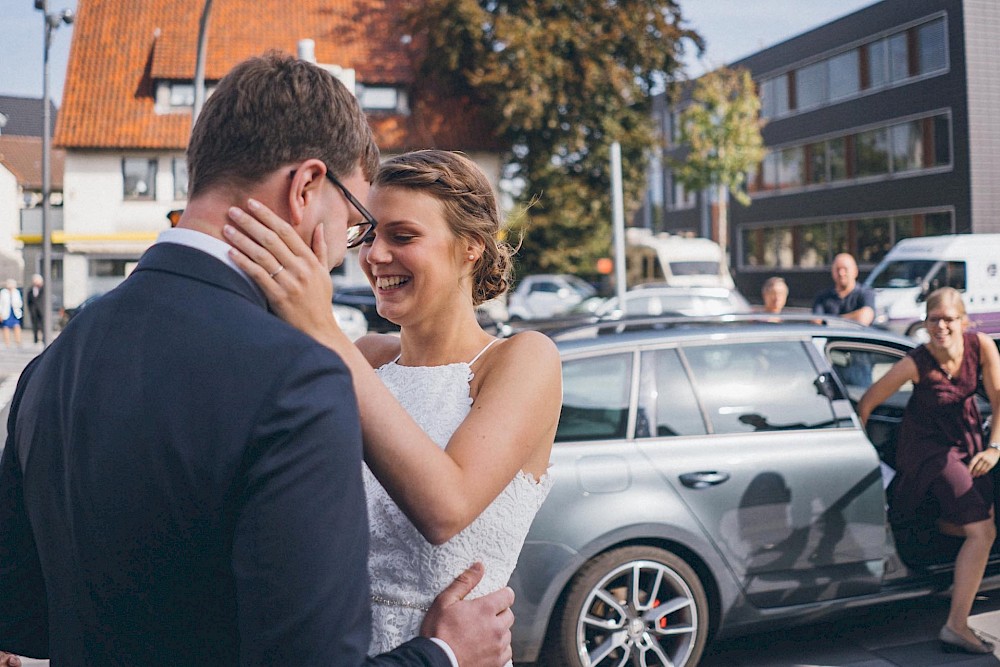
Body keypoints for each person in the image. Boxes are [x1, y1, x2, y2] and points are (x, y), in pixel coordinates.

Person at [0, 52, 514, 667]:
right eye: (354, 224)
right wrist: (442, 654)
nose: (356, 254)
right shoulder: (295, 379)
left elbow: (23, 620)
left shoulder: (51, 365)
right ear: (306, 189)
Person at [224, 149, 561, 659]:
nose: (374, 255)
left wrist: (323, 329)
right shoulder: (367, 355)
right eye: (367, 234)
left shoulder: (521, 360)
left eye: (402, 236)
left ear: (470, 247)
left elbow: (446, 509)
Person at [858, 287, 1000, 655]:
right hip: (929, 450)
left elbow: (999, 400)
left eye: (949, 319)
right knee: (982, 532)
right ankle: (956, 625)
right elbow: (868, 402)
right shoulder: (915, 362)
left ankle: (951, 572)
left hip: (968, 440)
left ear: (964, 321)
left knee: (979, 521)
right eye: (934, 319)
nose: (941, 327)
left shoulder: (981, 346)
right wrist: (859, 450)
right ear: (924, 322)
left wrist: (995, 447)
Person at [812, 253, 875, 325]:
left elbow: (864, 318)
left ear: (855, 271)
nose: (841, 273)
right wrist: (853, 318)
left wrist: (829, 322)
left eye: (845, 269)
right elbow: (816, 322)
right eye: (837, 269)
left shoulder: (865, 293)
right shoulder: (822, 297)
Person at [0, 279, 23, 347]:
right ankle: (7, 342)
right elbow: (1, 303)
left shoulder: (16, 292)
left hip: (14, 311)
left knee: (16, 326)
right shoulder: (3, 292)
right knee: (6, 327)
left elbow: (19, 302)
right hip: (6, 312)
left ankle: (18, 341)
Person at [25, 274, 44, 345]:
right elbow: (28, 301)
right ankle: (35, 339)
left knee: (43, 325)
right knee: (35, 325)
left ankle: (44, 338)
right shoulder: (30, 290)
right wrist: (30, 309)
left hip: (42, 310)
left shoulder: (44, 289)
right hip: (34, 310)